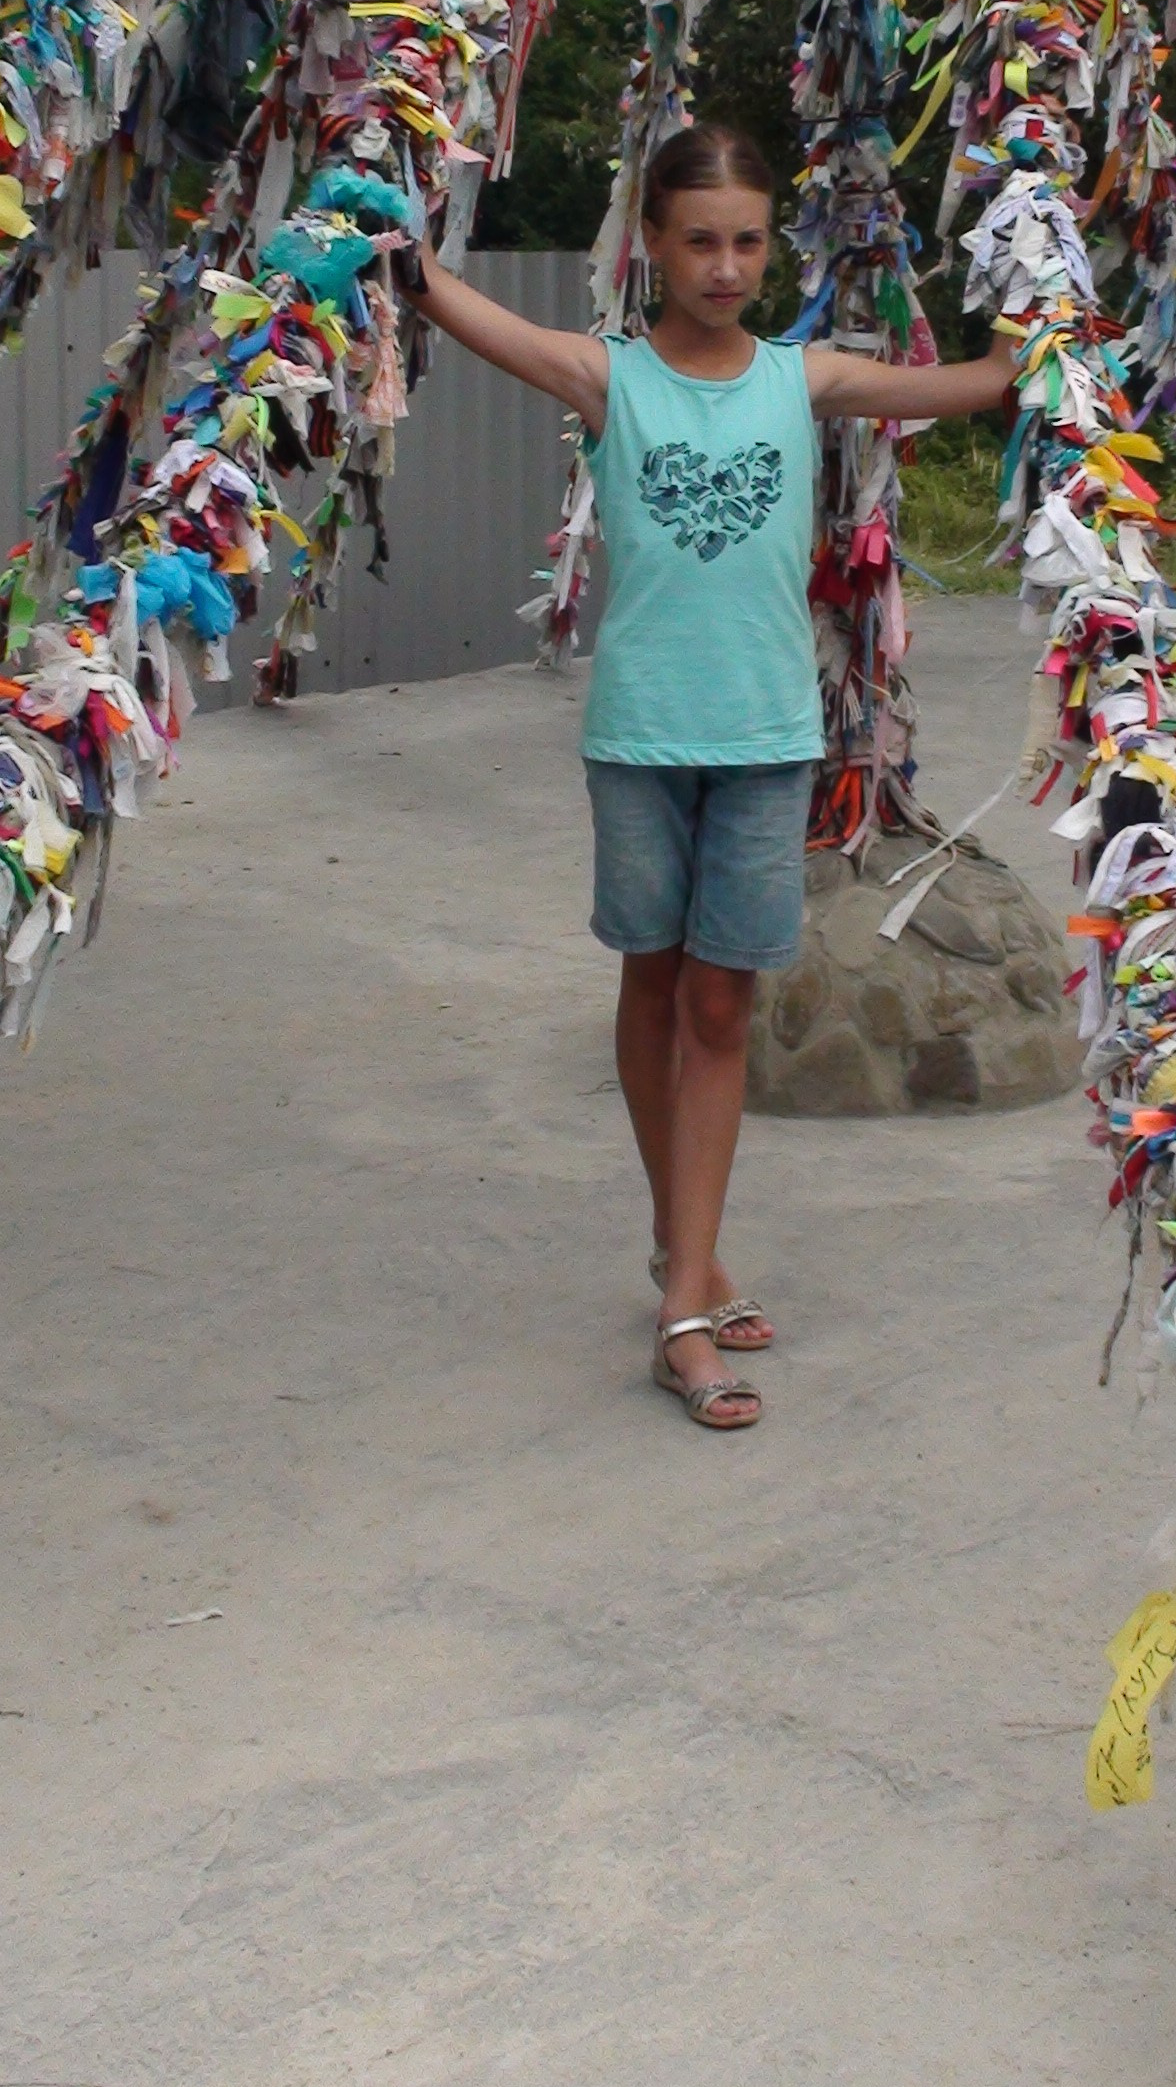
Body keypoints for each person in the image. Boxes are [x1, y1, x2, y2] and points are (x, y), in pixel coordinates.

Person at [408, 120, 1021, 1433]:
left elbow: (972, 382)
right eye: (700, 242)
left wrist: (1049, 330)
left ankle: (682, 1308)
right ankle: (683, 1256)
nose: (727, 266)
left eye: (747, 242)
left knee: (722, 1008)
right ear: (655, 243)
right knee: (651, 985)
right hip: (639, 744)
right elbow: (459, 311)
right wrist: (390, 252)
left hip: (764, 746)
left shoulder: (806, 379)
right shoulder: (609, 377)